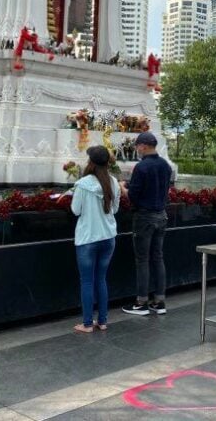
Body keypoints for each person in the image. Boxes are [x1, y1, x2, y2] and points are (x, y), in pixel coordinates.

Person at [120, 132, 173, 316]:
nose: (136, 149)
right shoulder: (165, 165)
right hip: (161, 216)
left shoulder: (141, 167)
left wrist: (121, 187)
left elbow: (132, 197)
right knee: (158, 257)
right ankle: (159, 301)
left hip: (144, 218)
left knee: (142, 259)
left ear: (143, 146)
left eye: (137, 146)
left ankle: (141, 302)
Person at [70, 146, 120, 333]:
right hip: (108, 237)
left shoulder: (83, 184)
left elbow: (76, 210)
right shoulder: (114, 182)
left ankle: (87, 323)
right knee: (101, 279)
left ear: (90, 162)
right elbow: (114, 210)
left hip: (88, 239)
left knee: (87, 281)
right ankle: (103, 321)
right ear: (107, 162)